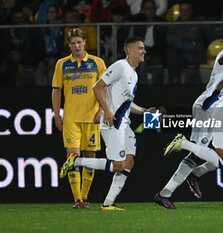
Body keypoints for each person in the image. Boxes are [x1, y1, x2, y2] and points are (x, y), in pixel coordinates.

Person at [154, 29, 223, 209]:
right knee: (213, 158)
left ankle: (173, 189)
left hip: (216, 106)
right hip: (208, 105)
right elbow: (222, 62)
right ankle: (175, 177)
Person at [60, 37, 156, 210]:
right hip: (113, 123)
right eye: (141, 48)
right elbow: (97, 87)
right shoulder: (120, 66)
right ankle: (75, 162)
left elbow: (127, 103)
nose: (144, 51)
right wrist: (107, 111)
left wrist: (143, 111)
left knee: (129, 161)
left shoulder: (134, 74)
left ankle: (108, 204)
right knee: (118, 165)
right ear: (130, 51)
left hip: (124, 124)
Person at [52, 28, 107, 209]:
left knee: (90, 156)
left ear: (85, 42)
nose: (76, 46)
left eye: (79, 42)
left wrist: (101, 110)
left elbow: (105, 88)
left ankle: (85, 197)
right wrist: (56, 114)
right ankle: (77, 199)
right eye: (73, 43)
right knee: (72, 158)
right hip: (71, 118)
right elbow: (56, 91)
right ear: (69, 45)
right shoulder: (62, 64)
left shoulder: (97, 63)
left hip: (92, 118)